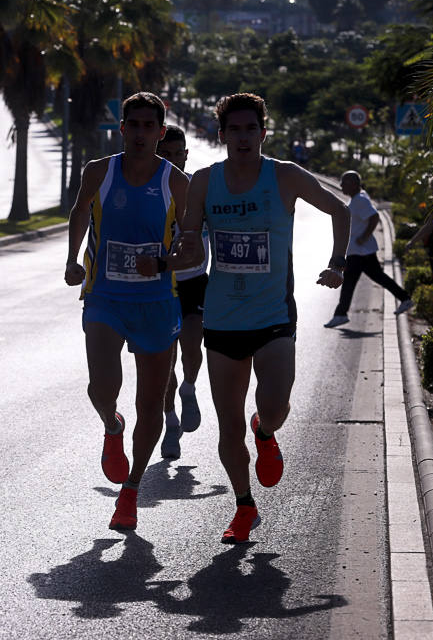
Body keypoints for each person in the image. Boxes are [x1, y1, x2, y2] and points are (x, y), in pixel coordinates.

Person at [176, 93, 349, 544]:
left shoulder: (285, 177)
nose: (243, 137)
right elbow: (190, 238)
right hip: (222, 319)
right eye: (233, 130)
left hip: (274, 314)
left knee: (273, 405)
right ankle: (243, 507)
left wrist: (338, 264)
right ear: (221, 135)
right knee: (228, 425)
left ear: (263, 133)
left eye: (250, 129)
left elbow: (340, 210)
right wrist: (178, 254)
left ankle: (267, 431)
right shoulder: (203, 182)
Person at [65, 92, 197, 532]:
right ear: (122, 128)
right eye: (132, 125)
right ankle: (111, 424)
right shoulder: (99, 171)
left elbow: (192, 248)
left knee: (151, 404)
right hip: (105, 296)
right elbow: (80, 211)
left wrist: (162, 262)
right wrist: (71, 259)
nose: (140, 133)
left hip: (157, 303)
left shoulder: (176, 182)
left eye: (149, 127)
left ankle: (132, 491)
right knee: (102, 387)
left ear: (161, 134)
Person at [154, 124, 208, 461]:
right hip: (158, 285)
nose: (173, 160)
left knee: (191, 346)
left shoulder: (201, 192)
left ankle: (189, 387)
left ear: (186, 155)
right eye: (166, 155)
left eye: (178, 154)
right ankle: (170, 421)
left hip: (194, 283)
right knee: (162, 364)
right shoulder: (151, 194)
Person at [323, 171, 413, 328]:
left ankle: (340, 314)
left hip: (360, 252)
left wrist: (364, 237)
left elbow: (374, 217)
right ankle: (405, 298)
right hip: (359, 251)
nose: (341, 185)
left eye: (344, 182)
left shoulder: (360, 200)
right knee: (372, 278)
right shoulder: (359, 198)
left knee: (351, 282)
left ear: (354, 184)